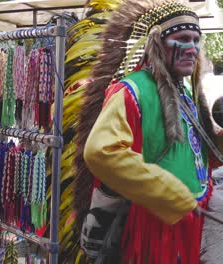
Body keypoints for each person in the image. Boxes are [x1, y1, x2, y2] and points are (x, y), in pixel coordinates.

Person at [79, 1, 215, 263]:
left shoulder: (185, 93)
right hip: (151, 229)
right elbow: (101, 151)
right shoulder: (131, 90)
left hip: (191, 223)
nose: (192, 49)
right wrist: (169, 193)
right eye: (183, 39)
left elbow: (190, 151)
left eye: (196, 40)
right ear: (157, 44)